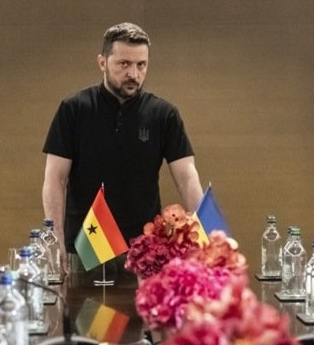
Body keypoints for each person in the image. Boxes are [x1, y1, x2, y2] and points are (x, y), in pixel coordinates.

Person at [42, 22, 204, 277]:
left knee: (148, 316)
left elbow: (187, 177)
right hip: (87, 246)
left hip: (147, 247)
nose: (134, 74)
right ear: (102, 62)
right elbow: (54, 179)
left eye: (141, 65)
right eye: (124, 64)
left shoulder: (164, 114)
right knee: (85, 316)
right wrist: (55, 240)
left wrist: (204, 238)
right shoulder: (74, 109)